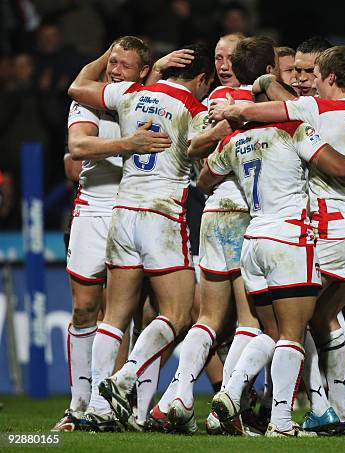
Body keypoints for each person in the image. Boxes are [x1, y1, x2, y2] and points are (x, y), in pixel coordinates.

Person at [210, 45, 345, 438]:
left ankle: (234, 389)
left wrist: (237, 107)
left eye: (317, 75)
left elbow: (266, 112)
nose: (311, 83)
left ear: (332, 79)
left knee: (286, 324)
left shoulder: (317, 111)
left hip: (332, 228)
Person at [202, 110, 345, 438]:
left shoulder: (234, 139)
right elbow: (338, 166)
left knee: (269, 330)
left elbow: (203, 179)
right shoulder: (292, 128)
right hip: (287, 239)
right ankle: (281, 423)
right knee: (292, 334)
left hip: (252, 240)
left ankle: (232, 388)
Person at [67, 42, 214, 431]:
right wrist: (226, 126)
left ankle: (98, 406)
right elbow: (203, 154)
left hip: (122, 213)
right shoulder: (195, 110)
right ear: (202, 79)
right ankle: (125, 377)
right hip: (162, 216)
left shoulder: (132, 94)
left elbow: (80, 85)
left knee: (112, 317)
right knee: (178, 314)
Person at [151, 35, 276, 435]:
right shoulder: (261, 104)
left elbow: (191, 147)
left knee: (206, 318)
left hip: (211, 211)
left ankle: (177, 395)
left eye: (228, 57)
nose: (222, 63)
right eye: (218, 56)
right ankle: (227, 406)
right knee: (248, 322)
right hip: (245, 216)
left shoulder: (212, 102)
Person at [52, 36, 175, 432]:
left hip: (139, 207)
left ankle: (129, 409)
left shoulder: (153, 99)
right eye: (111, 61)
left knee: (138, 312)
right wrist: (128, 143)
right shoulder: (89, 98)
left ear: (143, 71)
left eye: (124, 65)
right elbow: (77, 144)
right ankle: (79, 405)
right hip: (95, 208)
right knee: (85, 308)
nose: (113, 69)